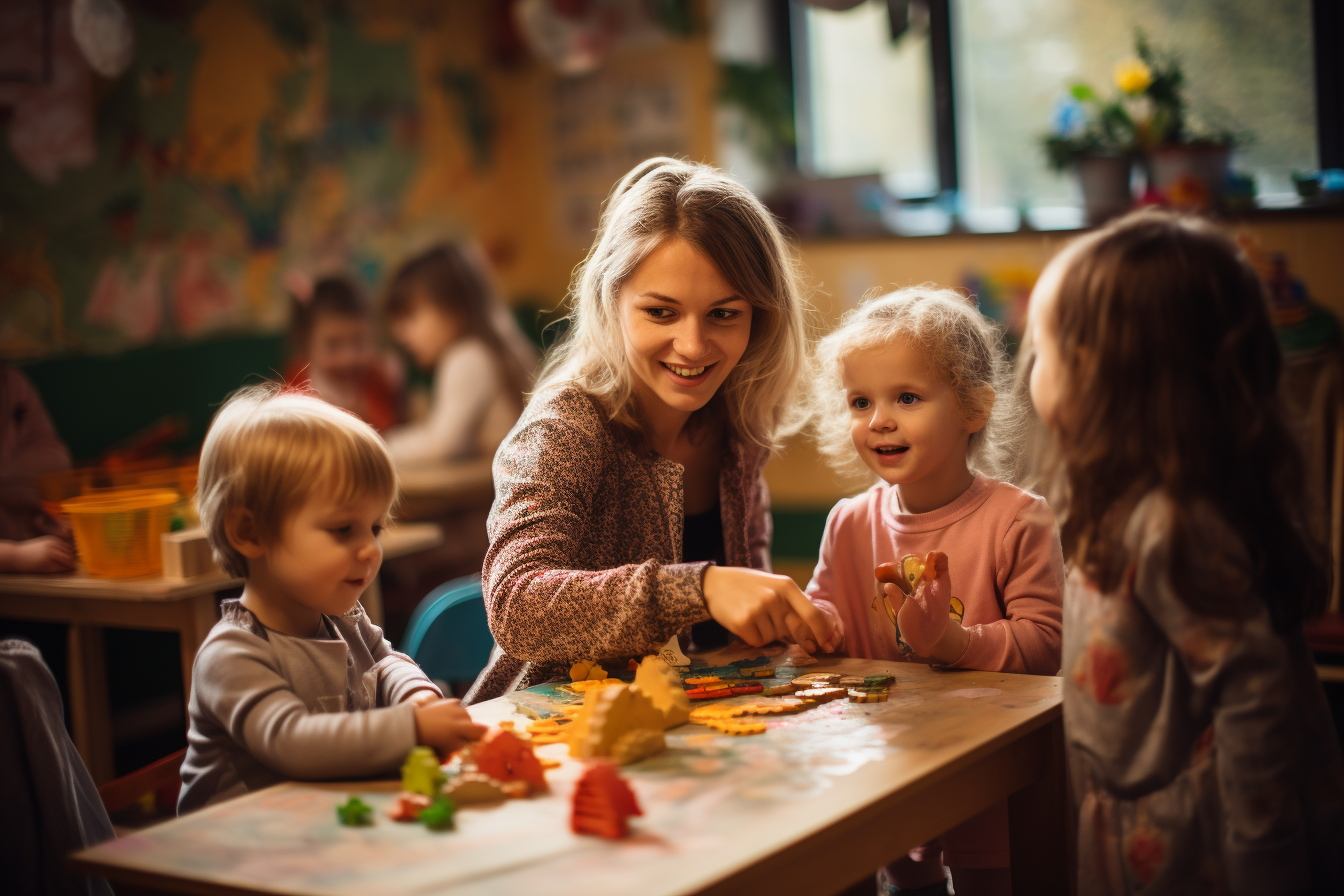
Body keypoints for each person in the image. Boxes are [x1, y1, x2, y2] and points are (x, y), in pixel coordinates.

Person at [1025, 209, 1344, 895]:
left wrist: (1266, 853)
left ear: (1098, 373)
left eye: (1042, 350)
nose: (1033, 370)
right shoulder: (1115, 502)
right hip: (1138, 817)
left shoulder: (1171, 524)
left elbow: (1255, 698)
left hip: (1208, 836)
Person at [465, 157, 840, 704]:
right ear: (610, 302)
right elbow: (517, 607)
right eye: (661, 313)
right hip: (553, 742)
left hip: (697, 732)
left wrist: (794, 623)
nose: (692, 345)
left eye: (724, 314)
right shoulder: (564, 427)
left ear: (760, 316)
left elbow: (739, 622)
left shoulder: (740, 423)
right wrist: (700, 588)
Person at [805, 287, 1064, 896]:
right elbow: (827, 616)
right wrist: (801, 624)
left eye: (907, 398)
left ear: (973, 408)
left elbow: (1049, 645)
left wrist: (955, 641)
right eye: (860, 401)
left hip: (987, 774)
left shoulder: (1019, 521)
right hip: (889, 762)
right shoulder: (848, 522)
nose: (879, 420)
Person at [178, 386, 485, 813]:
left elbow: (385, 663)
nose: (370, 550)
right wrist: (410, 727)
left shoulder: (344, 619)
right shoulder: (231, 655)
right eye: (344, 530)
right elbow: (293, 743)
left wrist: (416, 696)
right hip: (234, 855)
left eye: (374, 528)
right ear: (249, 533)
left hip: (318, 829)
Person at [382, 244, 537, 465]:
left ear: (454, 308)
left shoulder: (467, 356)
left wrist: (376, 444)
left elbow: (441, 445)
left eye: (411, 317)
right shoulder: (491, 350)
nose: (401, 335)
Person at [283, 274, 401, 433]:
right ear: (306, 343)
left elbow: (388, 433)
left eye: (359, 343)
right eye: (333, 346)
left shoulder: (375, 377)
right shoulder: (296, 382)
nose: (348, 358)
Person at [0, 364, 74, 573]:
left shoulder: (11, 382)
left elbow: (56, 460)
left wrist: (48, 523)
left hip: (31, 542)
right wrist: (13, 556)